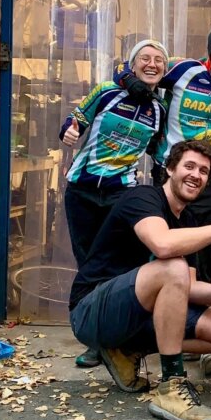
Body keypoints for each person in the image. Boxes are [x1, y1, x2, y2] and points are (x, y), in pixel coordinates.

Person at [68, 139, 211, 420]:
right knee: (173, 267)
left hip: (140, 314)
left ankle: (129, 350)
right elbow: (163, 246)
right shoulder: (143, 198)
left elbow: (188, 288)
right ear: (169, 168)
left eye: (204, 171)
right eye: (189, 166)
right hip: (91, 312)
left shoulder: (186, 221)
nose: (196, 175)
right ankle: (171, 385)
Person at [117, 21, 211, 284]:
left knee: (205, 250)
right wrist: (130, 82)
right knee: (165, 246)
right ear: (210, 54)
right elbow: (135, 69)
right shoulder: (185, 70)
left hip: (207, 177)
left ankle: (196, 309)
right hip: (170, 171)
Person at [60, 39, 168, 369]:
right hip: (82, 189)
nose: (152, 64)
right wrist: (70, 130)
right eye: (145, 59)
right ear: (132, 65)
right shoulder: (107, 91)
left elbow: (159, 152)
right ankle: (95, 340)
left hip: (121, 194)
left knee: (116, 265)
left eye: (159, 61)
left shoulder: (158, 110)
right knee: (89, 264)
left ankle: (112, 336)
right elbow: (74, 119)